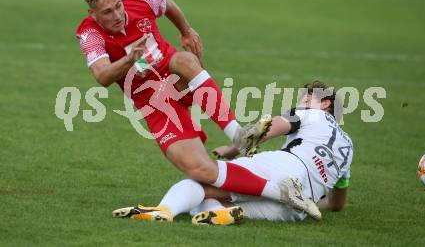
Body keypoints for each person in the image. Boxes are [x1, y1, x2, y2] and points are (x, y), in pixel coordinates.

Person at [76, 0, 290, 219]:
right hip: (153, 102)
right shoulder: (89, 34)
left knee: (186, 60)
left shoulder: (142, 2)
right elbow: (102, 77)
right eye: (107, 12)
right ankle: (232, 203)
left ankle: (239, 136)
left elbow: (166, 3)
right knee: (200, 170)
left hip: (175, 75)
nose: (117, 15)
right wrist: (129, 59)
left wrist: (186, 31)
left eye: (118, 6)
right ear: (93, 14)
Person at [112, 81, 353, 224]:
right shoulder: (348, 148)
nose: (302, 101)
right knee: (213, 204)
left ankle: (164, 210)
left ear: (325, 104)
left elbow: (267, 129)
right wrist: (311, 203)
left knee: (201, 179)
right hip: (294, 211)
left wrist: (232, 148)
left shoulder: (312, 114)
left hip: (284, 169)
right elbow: (336, 202)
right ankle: (219, 215)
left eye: (307, 97)